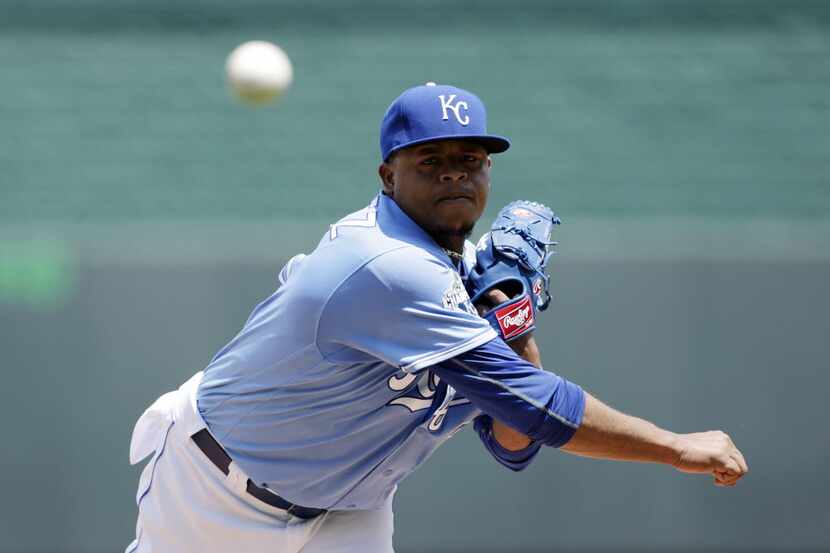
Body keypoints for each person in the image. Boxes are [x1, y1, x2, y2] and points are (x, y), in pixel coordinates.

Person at [125, 83, 747, 553]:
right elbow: (534, 407)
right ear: (388, 175)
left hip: (348, 510)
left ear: (488, 172)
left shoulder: (468, 272)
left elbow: (514, 444)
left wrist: (516, 321)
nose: (454, 170)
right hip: (216, 492)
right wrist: (674, 447)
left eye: (470, 158)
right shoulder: (386, 263)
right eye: (429, 160)